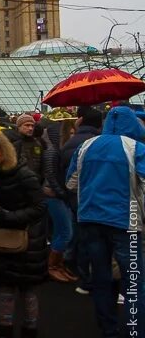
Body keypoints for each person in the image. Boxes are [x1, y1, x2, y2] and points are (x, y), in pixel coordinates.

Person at [66, 106, 145, 338]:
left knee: (101, 279)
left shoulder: (86, 146)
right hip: (126, 221)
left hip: (90, 219)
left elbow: (71, 182)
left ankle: (109, 337)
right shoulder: (136, 148)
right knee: (134, 283)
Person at [0, 128, 47, 338]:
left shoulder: (25, 175)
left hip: (28, 241)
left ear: (5, 150)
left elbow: (40, 207)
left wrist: (9, 216)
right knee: (5, 290)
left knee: (27, 292)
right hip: (7, 240)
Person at [59, 106, 102, 293]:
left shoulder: (71, 143)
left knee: (81, 237)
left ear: (80, 120)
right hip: (99, 199)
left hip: (77, 198)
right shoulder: (100, 143)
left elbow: (68, 178)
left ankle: (84, 278)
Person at [41, 124, 76, 283]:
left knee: (61, 231)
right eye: (70, 132)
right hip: (54, 195)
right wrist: (62, 193)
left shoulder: (57, 150)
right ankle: (53, 266)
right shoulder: (52, 151)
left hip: (57, 195)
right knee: (66, 232)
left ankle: (58, 264)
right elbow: (50, 175)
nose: (72, 136)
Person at [5, 114, 44, 180]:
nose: (30, 128)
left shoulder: (37, 144)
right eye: (27, 125)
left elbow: (42, 165)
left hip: (35, 180)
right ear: (19, 127)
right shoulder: (12, 143)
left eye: (32, 126)